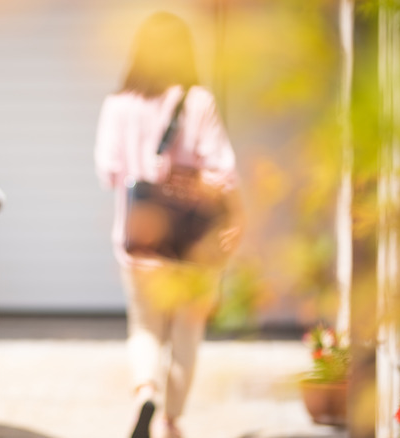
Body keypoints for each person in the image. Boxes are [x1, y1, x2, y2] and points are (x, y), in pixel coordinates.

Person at [93, 12, 243, 438]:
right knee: (186, 331)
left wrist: (144, 171)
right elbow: (223, 172)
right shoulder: (199, 102)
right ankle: (172, 421)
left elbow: (107, 171)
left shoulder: (118, 105)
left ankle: (145, 394)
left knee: (144, 327)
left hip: (139, 239)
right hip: (194, 242)